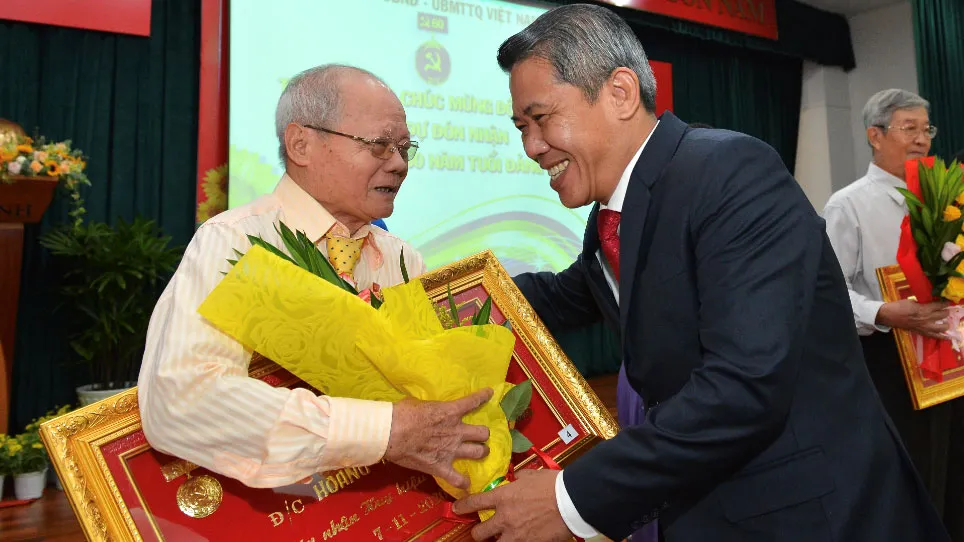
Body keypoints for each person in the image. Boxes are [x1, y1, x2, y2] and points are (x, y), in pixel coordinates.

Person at [452, 5, 948, 541]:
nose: (531, 147)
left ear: (620, 93)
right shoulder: (613, 215)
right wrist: (431, 304)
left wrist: (571, 498)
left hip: (808, 516)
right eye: (521, 128)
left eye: (541, 118)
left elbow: (743, 386)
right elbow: (562, 296)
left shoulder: (730, 172)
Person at [138, 65, 492, 492]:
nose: (399, 164)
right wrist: (383, 431)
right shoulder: (234, 244)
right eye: (379, 145)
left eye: (404, 148)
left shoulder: (402, 260)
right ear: (301, 144)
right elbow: (182, 401)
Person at [823, 88, 962, 539]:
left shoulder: (946, 198)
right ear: (875, 135)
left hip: (951, 358)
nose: (922, 139)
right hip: (890, 362)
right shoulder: (849, 204)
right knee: (911, 480)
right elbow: (827, 293)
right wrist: (883, 311)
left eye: (927, 129)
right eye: (909, 128)